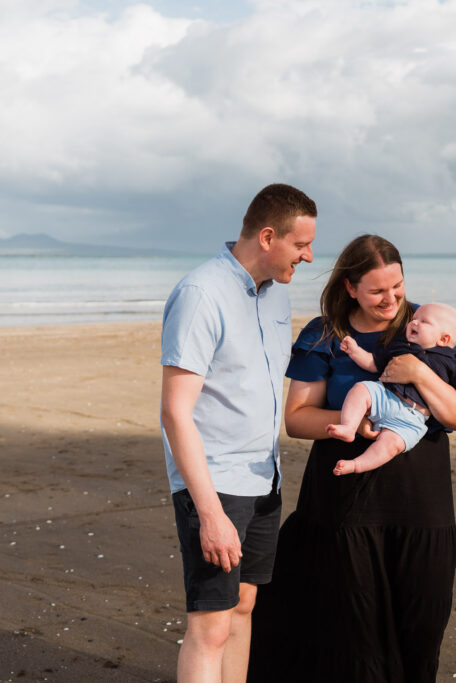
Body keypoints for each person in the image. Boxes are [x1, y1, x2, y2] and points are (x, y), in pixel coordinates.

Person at [248, 235, 456, 683]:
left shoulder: (428, 327)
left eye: (398, 287)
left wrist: (419, 373)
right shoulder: (325, 333)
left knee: (422, 628)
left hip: (422, 506)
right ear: (350, 287)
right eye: (377, 291)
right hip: (344, 505)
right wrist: (362, 422)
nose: (391, 300)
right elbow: (296, 419)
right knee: (353, 637)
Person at [160, 183, 316, 683]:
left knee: (244, 610)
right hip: (215, 483)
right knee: (209, 628)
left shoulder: (276, 298)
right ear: (268, 237)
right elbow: (175, 412)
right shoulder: (201, 293)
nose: (309, 256)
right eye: (301, 245)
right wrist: (209, 513)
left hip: (263, 478)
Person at [327, 302, 456, 475]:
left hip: (412, 417)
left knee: (390, 445)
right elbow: (374, 363)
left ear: (443, 339)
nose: (414, 323)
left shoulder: (452, 359)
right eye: (414, 319)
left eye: (424, 322)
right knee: (360, 389)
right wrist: (354, 351)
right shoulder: (401, 345)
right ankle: (349, 427)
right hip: (386, 396)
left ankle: (356, 465)